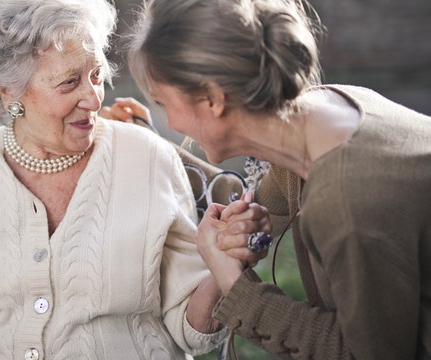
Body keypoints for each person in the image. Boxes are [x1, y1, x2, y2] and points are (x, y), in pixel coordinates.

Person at [0, 1, 271, 359]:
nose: (93, 98)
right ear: (10, 93)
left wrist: (223, 262)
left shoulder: (148, 159)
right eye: (69, 82)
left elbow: (192, 329)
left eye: (96, 75)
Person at [125, 0, 431, 359]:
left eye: (163, 103)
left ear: (212, 99)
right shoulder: (326, 112)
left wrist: (235, 285)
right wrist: (143, 144)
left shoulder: (346, 203)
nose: (171, 123)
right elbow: (250, 200)